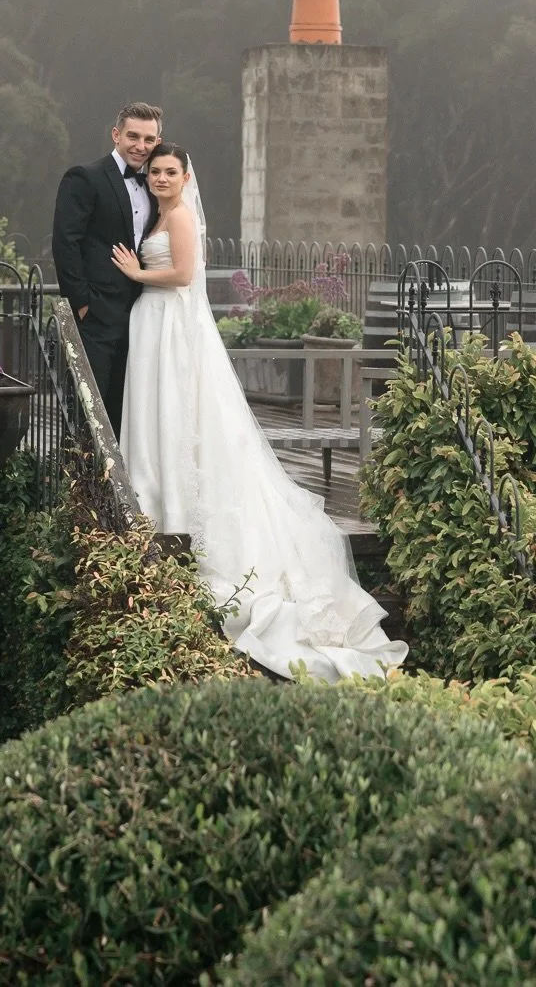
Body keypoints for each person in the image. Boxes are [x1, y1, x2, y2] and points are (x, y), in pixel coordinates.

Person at [112, 143, 408, 683]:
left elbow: (183, 274)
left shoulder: (179, 217)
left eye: (170, 172)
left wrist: (137, 274)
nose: (161, 178)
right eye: (155, 171)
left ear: (185, 177)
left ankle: (179, 507)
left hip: (170, 320)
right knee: (163, 415)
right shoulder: (158, 214)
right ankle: (157, 493)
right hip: (154, 323)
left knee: (182, 414)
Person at [51, 103, 162, 435]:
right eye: (133, 136)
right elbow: (66, 242)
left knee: (126, 412)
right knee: (88, 410)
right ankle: (80, 469)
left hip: (142, 316)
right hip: (97, 315)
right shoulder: (85, 177)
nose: (140, 146)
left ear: (157, 141)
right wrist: (83, 304)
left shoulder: (156, 184)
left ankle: (119, 470)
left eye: (149, 139)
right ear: (116, 135)